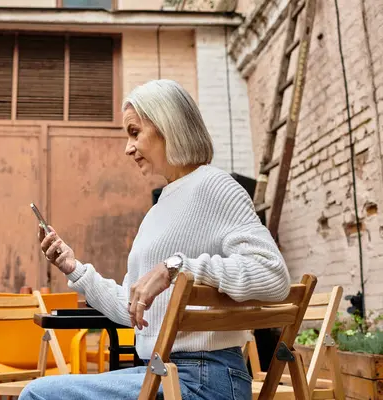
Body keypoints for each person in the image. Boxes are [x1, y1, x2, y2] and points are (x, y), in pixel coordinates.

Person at [19, 79, 291, 400]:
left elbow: (274, 277)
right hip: (160, 372)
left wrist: (176, 267)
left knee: (39, 395)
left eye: (135, 132)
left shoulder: (214, 185)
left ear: (167, 125)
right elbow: (131, 310)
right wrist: (73, 268)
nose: (128, 147)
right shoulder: (158, 209)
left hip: (203, 378)